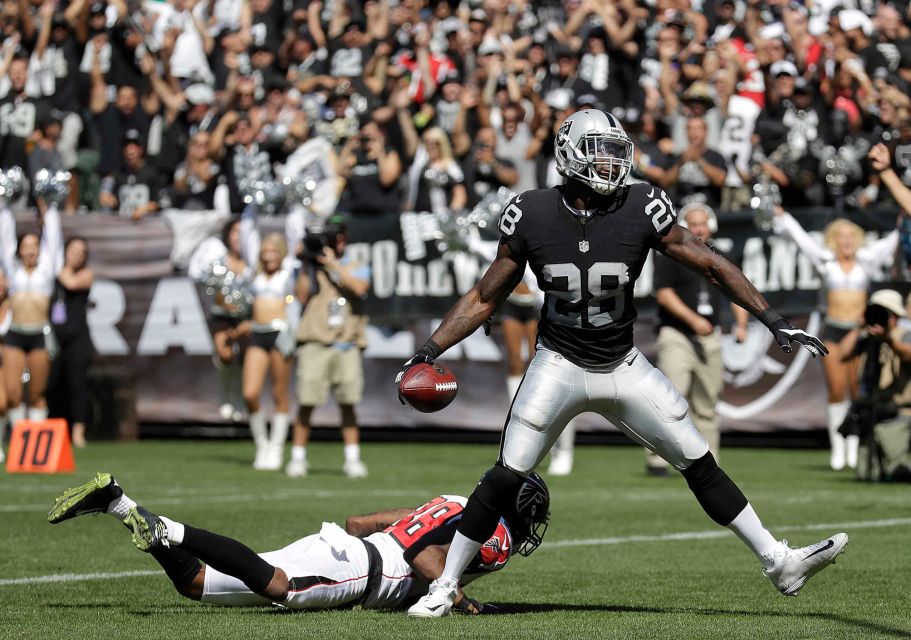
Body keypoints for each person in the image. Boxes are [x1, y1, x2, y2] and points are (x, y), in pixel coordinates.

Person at [399, 109, 847, 618]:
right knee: (506, 473)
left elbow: (710, 262)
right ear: (569, 154)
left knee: (698, 460)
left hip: (622, 363)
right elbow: (484, 296)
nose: (612, 160)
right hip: (558, 362)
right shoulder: (531, 211)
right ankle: (444, 586)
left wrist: (773, 319)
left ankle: (778, 561)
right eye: (600, 150)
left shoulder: (642, 204)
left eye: (616, 149)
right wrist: (429, 349)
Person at [46, 471, 550, 612]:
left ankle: (118, 503)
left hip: (347, 548)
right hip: (364, 572)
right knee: (280, 587)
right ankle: (171, 530)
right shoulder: (497, 535)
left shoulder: (452, 500)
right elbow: (423, 554)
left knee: (196, 584)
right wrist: (458, 597)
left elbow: (357, 521)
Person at [771, 206, 899, 470]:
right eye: (841, 236)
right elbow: (802, 241)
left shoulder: (866, 261)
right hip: (833, 331)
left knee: (855, 388)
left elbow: (890, 244)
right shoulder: (825, 261)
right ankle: (838, 448)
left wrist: (902, 225)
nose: (847, 240)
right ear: (833, 240)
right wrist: (784, 216)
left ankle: (853, 446)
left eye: (851, 236)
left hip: (859, 332)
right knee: (836, 388)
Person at [646, 203, 749, 474]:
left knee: (708, 401)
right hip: (676, 333)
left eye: (702, 223)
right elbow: (664, 294)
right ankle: (658, 460)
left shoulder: (721, 255)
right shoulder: (669, 254)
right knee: (670, 399)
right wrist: (693, 320)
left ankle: (708, 460)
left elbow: (737, 291)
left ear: (711, 226)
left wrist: (741, 324)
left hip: (709, 335)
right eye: (693, 224)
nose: (699, 229)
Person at [288, 215, 370, 479]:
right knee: (307, 401)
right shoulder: (311, 266)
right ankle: (298, 458)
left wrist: (333, 264)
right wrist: (305, 264)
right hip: (316, 341)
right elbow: (300, 296)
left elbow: (359, 288)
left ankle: (352, 459)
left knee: (348, 403)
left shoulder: (356, 263)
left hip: (347, 343)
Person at [236, 206, 296, 470]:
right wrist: (250, 208)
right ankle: (261, 444)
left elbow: (296, 233)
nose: (269, 255)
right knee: (250, 392)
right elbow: (248, 234)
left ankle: (277, 447)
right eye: (266, 251)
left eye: (274, 251)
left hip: (280, 332)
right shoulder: (255, 273)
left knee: (279, 392)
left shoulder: (288, 273)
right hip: (258, 333)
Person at [0, 202, 63, 431]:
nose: (30, 251)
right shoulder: (12, 270)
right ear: (19, 250)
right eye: (25, 246)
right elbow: (5, 238)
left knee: (37, 391)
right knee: (13, 392)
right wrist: (4, 207)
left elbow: (53, 240)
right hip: (16, 333)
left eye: (34, 246)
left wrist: (50, 209)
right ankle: (20, 440)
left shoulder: (46, 270)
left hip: (39, 333)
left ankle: (38, 440)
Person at [841, 289, 911, 480]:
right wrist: (859, 326)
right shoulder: (866, 338)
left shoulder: (904, 335)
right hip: (871, 412)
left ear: (894, 316)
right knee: (865, 474)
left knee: (897, 472)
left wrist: (888, 339)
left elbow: (908, 355)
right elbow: (842, 354)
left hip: (897, 412)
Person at [188, 218, 253, 423]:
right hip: (222, 315)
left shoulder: (252, 262)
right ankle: (225, 396)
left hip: (246, 317)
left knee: (244, 358)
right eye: (234, 232)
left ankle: (240, 396)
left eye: (242, 233)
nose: (238, 237)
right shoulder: (217, 257)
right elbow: (199, 277)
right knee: (225, 355)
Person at [49, 237, 93, 448]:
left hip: (78, 337)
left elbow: (71, 283)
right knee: (51, 383)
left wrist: (55, 264)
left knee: (78, 385)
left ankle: (78, 432)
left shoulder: (85, 274)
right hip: (54, 338)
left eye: (81, 252)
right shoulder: (51, 274)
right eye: (73, 250)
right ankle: (50, 430)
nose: (77, 255)